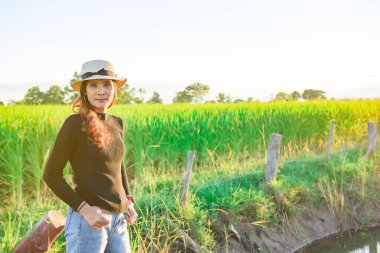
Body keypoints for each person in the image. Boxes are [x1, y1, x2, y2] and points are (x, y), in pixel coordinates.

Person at [43, 59, 137, 253]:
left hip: (118, 221)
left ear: (114, 90)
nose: (101, 91)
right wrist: (85, 209)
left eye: (106, 84)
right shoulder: (74, 124)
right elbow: (51, 174)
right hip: (88, 222)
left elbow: (117, 166)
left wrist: (127, 201)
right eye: (93, 85)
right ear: (84, 91)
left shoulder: (117, 123)